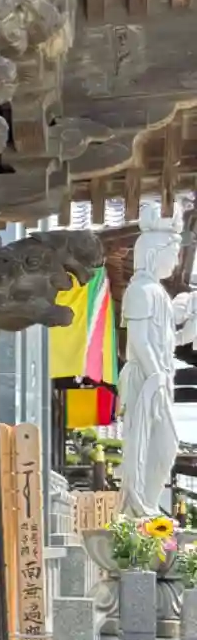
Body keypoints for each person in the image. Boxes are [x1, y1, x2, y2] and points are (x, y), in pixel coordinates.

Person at [119, 201, 197, 517]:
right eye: (173, 254)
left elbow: (167, 343)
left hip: (158, 377)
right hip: (146, 378)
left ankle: (145, 509)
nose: (176, 262)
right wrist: (158, 377)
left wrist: (189, 330)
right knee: (150, 444)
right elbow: (138, 341)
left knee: (164, 445)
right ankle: (139, 509)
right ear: (154, 252)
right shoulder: (140, 290)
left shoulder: (158, 294)